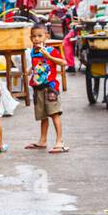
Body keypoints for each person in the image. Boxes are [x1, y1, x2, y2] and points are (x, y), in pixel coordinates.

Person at [25, 23, 69, 154]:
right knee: (43, 115)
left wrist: (49, 57)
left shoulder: (50, 50)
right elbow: (37, 64)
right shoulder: (33, 51)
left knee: (54, 113)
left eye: (40, 36)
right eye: (34, 36)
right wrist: (30, 70)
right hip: (38, 87)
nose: (37, 39)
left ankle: (59, 141)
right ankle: (42, 140)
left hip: (50, 88)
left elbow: (63, 62)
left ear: (46, 36)